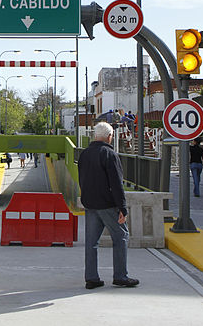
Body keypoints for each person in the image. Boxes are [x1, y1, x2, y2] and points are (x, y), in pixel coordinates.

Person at [77, 121, 138, 290]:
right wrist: (122, 208)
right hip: (108, 205)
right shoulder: (110, 154)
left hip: (90, 204)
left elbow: (82, 178)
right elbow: (117, 184)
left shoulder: (85, 154)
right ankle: (120, 276)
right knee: (121, 237)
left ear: (95, 135)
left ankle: (91, 278)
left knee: (91, 243)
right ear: (110, 136)